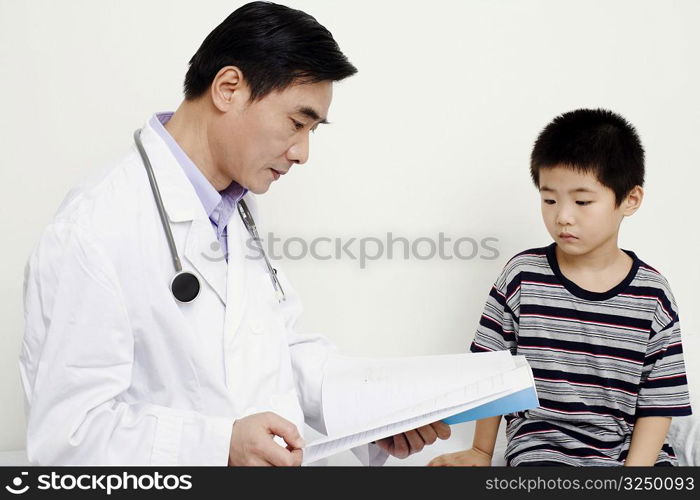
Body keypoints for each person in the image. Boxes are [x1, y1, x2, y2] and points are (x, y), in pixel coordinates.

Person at [20, 1, 449, 466]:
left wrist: (381, 410)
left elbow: (277, 351)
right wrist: (217, 446)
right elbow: (69, 437)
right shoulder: (92, 230)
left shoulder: (236, 210)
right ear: (228, 88)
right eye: (297, 123)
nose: (303, 152)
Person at [428, 108, 692, 466]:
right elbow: (492, 368)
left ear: (629, 199)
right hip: (544, 444)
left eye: (582, 202)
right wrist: (481, 451)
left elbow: (659, 400)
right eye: (549, 199)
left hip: (632, 450)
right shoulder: (522, 276)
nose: (562, 216)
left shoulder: (653, 294)